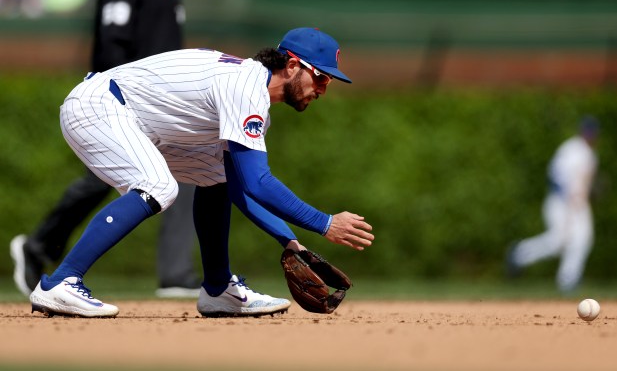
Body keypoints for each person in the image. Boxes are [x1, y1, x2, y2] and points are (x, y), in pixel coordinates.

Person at [28, 27, 375, 318]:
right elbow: (259, 182)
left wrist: (289, 241)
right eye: (321, 77)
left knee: (218, 176)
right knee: (158, 187)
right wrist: (325, 223)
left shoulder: (250, 91)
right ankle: (61, 281)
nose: (323, 89)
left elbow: (240, 185)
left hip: (137, 120)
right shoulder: (245, 86)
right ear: (293, 65)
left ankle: (218, 288)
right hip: (99, 106)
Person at [10, 0, 201, 300]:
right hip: (122, 98)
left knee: (187, 171)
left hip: (160, 101)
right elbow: (113, 41)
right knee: (100, 179)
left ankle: (176, 273)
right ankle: (39, 245)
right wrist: (122, 101)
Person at [506, 116, 599, 293]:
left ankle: (568, 279)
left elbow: (583, 182)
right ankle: (519, 253)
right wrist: (568, 197)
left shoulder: (590, 153)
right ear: (582, 131)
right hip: (561, 202)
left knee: (582, 238)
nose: (590, 135)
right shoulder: (571, 149)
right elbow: (555, 175)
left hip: (578, 204)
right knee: (558, 241)